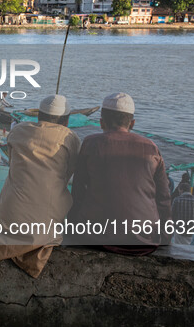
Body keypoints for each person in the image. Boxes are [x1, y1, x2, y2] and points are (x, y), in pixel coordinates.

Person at [0, 95, 80, 279]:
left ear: (39, 115)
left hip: (8, 214)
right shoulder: (70, 137)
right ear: (66, 120)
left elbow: (14, 163)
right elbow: (68, 174)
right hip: (45, 220)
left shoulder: (18, 131)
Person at [69, 93, 172, 254]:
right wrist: (165, 237)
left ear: (101, 122)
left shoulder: (90, 143)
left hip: (94, 238)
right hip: (145, 241)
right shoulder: (152, 148)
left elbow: (78, 191)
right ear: (132, 123)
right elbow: (164, 199)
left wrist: (72, 229)